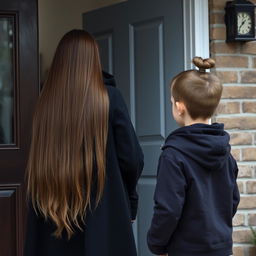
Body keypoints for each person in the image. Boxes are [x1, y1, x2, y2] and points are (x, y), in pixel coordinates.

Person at [24, 29, 144, 256]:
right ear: (93, 60)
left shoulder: (45, 103)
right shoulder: (109, 98)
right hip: (102, 213)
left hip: (51, 212)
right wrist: (130, 202)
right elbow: (132, 159)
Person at [147, 57, 240, 256]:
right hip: (221, 248)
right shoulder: (225, 152)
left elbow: (168, 209)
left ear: (180, 107)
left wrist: (157, 244)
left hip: (185, 249)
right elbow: (233, 200)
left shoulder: (173, 155)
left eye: (172, 102)